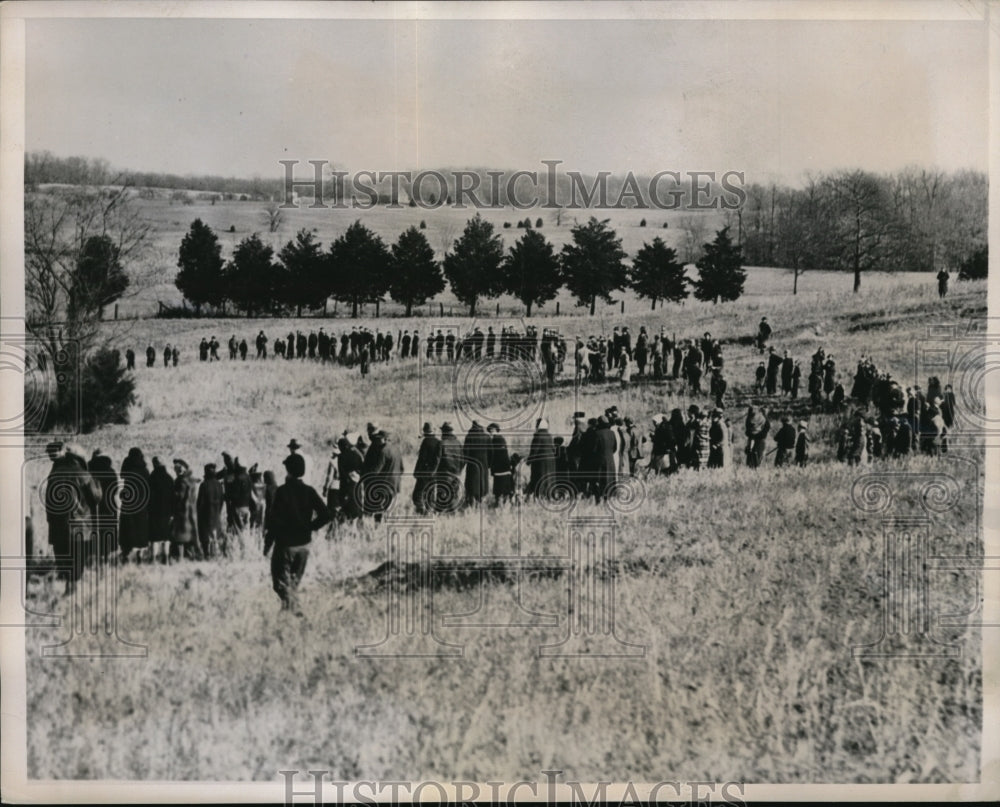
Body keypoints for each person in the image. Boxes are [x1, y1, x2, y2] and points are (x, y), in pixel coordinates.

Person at [263, 453, 330, 616]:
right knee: (293, 584)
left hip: (285, 545)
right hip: (304, 545)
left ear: (289, 470)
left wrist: (267, 544)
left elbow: (273, 521)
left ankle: (296, 612)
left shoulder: (282, 492)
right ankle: (287, 615)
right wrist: (310, 527)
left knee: (280, 585)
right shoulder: (309, 491)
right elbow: (327, 514)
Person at [44, 441, 100, 592]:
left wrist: (51, 521)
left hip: (58, 525)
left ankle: (66, 589)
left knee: (63, 557)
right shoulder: (83, 473)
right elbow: (96, 497)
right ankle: (72, 590)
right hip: (79, 525)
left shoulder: (53, 473)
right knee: (77, 558)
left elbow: (49, 501)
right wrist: (97, 483)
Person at [118, 447, 151, 563]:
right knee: (140, 529)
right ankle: (139, 554)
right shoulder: (145, 470)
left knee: (127, 529)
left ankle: (126, 553)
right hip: (142, 504)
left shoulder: (128, 467)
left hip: (129, 504)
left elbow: (123, 479)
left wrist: (123, 495)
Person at [87, 450, 119, 561]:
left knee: (95, 528)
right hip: (109, 504)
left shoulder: (89, 470)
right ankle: (107, 555)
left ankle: (95, 555)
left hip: (93, 504)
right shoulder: (111, 471)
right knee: (108, 528)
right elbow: (115, 490)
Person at [170, 459, 201, 561]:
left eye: (178, 469)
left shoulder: (180, 481)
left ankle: (181, 558)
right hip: (192, 511)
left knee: (180, 536)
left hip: (182, 512)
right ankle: (193, 556)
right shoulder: (191, 480)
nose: (177, 471)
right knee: (191, 534)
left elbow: (179, 497)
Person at [196, 463, 225, 557]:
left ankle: (207, 554)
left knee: (205, 535)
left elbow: (200, 502)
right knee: (215, 534)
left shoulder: (203, 485)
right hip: (216, 512)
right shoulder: (219, 485)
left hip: (205, 513)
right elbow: (222, 500)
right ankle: (214, 553)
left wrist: (198, 513)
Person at [413, 423, 442, 514]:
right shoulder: (438, 442)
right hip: (434, 473)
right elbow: (438, 458)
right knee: (431, 494)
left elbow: (422, 459)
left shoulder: (425, 442)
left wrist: (416, 471)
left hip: (423, 472)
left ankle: (421, 512)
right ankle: (430, 512)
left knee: (418, 495)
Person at [435, 422, 463, 511]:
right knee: (454, 495)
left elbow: (437, 460)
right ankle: (453, 515)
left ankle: (441, 516)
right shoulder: (458, 443)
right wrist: (459, 470)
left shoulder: (441, 443)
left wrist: (434, 472)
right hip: (456, 474)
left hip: (443, 474)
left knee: (442, 496)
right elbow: (463, 459)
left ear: (444, 432)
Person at [462, 421, 490, 506]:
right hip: (484, 465)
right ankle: (481, 502)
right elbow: (491, 452)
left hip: (472, 465)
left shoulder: (469, 437)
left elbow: (465, 452)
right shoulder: (487, 437)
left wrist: (464, 464)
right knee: (483, 484)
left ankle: (472, 504)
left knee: (472, 484)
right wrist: (488, 464)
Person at [338, 434, 365, 520]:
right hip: (357, 483)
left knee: (346, 509)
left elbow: (342, 473)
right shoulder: (359, 454)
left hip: (346, 484)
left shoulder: (342, 456)